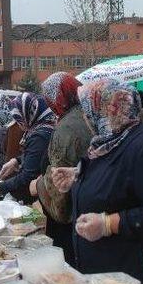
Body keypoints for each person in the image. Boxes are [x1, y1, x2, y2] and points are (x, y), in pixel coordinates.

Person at [52, 79, 143, 284]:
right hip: (107, 276)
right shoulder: (107, 142)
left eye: (88, 110)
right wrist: (78, 176)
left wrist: (108, 224)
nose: (86, 117)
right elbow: (114, 178)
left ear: (107, 109)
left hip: (136, 281)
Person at [32, 72, 92, 265]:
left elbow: (60, 192)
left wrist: (41, 184)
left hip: (74, 219)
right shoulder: (88, 112)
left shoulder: (68, 127)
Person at [0, 93, 55, 205]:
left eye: (19, 120)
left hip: (38, 198)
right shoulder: (45, 127)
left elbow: (27, 177)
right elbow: (36, 155)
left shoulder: (40, 136)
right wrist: (17, 160)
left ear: (28, 115)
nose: (18, 125)